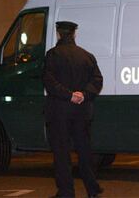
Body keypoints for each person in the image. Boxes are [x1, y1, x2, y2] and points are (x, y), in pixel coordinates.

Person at [43, 21, 104, 198]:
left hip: (60, 112)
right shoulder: (87, 56)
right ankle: (92, 189)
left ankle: (66, 192)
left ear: (58, 34)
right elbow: (97, 80)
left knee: (62, 154)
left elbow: (49, 82)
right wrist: (83, 95)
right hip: (82, 112)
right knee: (85, 151)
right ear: (74, 34)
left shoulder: (52, 55)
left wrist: (69, 95)